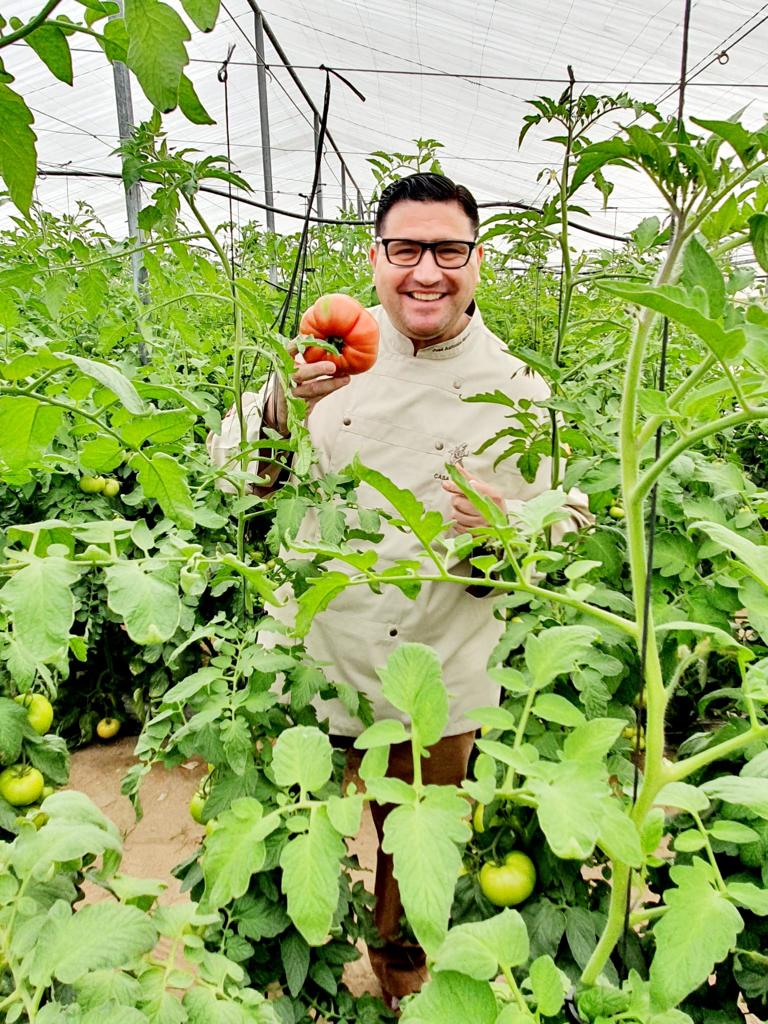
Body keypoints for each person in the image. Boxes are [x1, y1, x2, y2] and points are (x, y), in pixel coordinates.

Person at [209, 172, 590, 1008]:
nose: (427, 272)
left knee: (417, 848)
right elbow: (228, 472)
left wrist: (513, 522)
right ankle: (275, 983)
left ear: (478, 261)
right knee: (295, 827)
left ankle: (403, 980)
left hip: (443, 669)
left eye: (448, 250)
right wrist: (276, 406)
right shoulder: (324, 351)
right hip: (319, 651)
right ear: (374, 259)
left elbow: (572, 517)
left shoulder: (521, 387)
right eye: (406, 249)